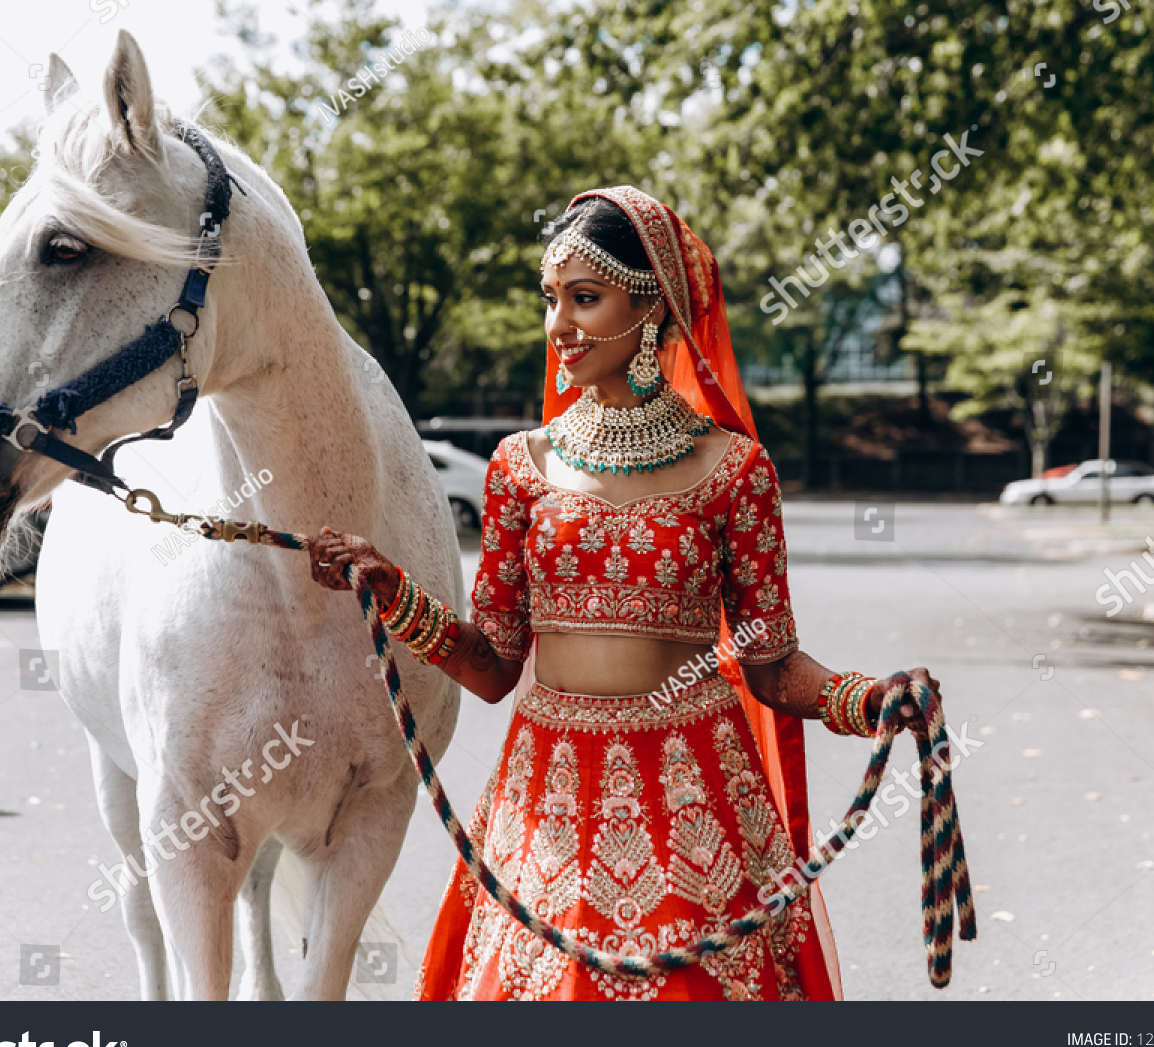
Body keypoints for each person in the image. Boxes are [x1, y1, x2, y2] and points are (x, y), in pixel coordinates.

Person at [305, 185, 939, 1001]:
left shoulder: (734, 471)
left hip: (694, 803)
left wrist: (869, 698)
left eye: (585, 297)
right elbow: (497, 666)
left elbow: (772, 668)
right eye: (550, 298)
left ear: (652, 308)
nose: (558, 325)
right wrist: (396, 597)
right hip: (549, 801)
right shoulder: (518, 468)